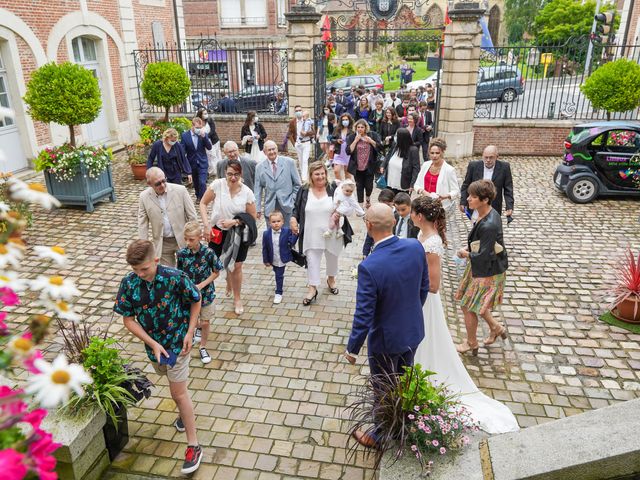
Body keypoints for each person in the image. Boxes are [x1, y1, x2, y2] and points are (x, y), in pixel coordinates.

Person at [410, 196, 519, 434]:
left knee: (425, 337)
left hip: (426, 299)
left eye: (412, 212)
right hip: (420, 297)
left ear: (419, 216)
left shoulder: (433, 243)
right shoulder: (422, 235)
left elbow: (434, 284)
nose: (410, 215)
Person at [114, 240, 203, 474]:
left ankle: (194, 445)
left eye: (144, 269)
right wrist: (152, 344)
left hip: (178, 345)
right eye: (135, 270)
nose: (140, 274)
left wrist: (190, 331)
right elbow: (128, 320)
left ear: (155, 260)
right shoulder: (129, 283)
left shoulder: (176, 277)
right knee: (176, 391)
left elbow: (196, 300)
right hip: (155, 351)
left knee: (178, 393)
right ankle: (185, 415)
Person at [344, 203, 429, 447]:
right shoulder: (415, 246)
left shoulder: (370, 266)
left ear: (368, 226)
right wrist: (408, 313)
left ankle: (380, 434)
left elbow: (364, 314)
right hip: (412, 329)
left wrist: (352, 349)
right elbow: (423, 289)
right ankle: (405, 421)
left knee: (382, 385)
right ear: (393, 221)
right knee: (405, 378)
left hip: (385, 339)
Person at [455, 180, 509, 354]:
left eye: (473, 196)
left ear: (485, 200)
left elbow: (485, 255)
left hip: (487, 270)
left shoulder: (489, 224)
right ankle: (496, 328)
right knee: (475, 303)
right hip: (482, 265)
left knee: (468, 305)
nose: (468, 199)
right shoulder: (485, 213)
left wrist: (466, 254)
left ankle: (471, 343)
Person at [200, 159, 258, 315]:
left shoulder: (247, 192)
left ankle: (237, 298)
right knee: (215, 263)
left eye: (236, 174)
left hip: (238, 233)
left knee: (236, 266)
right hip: (217, 232)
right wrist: (206, 225)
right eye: (230, 174)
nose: (233, 178)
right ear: (225, 173)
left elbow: (252, 216)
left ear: (241, 174)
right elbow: (203, 203)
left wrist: (235, 221)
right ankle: (226, 280)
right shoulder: (217, 185)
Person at [291, 161, 353, 305]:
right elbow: (296, 208)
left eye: (322, 173)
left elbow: (346, 204)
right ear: (311, 176)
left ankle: (331, 279)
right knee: (312, 260)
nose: (320, 177)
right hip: (311, 233)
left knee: (332, 258)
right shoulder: (304, 190)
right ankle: (312, 288)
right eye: (316, 174)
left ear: (326, 173)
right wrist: (293, 219)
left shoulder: (334, 188)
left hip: (331, 232)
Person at [176, 221, 223, 365]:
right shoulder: (182, 254)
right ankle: (197, 330)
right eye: (186, 239)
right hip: (189, 296)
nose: (188, 242)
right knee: (194, 321)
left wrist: (202, 285)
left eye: (191, 239)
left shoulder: (208, 253)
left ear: (200, 237)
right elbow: (180, 273)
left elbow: (216, 272)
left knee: (205, 322)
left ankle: (203, 347)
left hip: (207, 293)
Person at [138, 167, 198, 267]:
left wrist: (194, 237)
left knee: (187, 271)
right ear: (149, 184)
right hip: (162, 243)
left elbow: (192, 216)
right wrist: (143, 246)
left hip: (183, 239)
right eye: (158, 183)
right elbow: (142, 224)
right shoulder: (144, 197)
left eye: (164, 181)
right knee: (168, 275)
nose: (162, 185)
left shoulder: (180, 190)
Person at [415, 137, 461, 262]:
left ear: (442, 153)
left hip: (440, 207)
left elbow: (456, 191)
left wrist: (445, 196)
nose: (434, 156)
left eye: (437, 153)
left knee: (436, 230)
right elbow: (417, 185)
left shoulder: (449, 170)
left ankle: (435, 255)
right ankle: (423, 251)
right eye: (432, 153)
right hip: (424, 205)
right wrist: (424, 192)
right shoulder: (425, 165)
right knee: (424, 229)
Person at [460, 145, 514, 221]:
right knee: (477, 227)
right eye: (486, 157)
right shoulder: (474, 166)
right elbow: (466, 185)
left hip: (494, 206)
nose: (488, 160)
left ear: (496, 157)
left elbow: (508, 189)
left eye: (491, 157)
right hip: (477, 206)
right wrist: (463, 202)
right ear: (482, 156)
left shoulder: (504, 167)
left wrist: (509, 206)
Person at [254, 140, 302, 226]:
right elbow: (258, 189)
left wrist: (293, 200)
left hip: (287, 206)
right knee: (272, 236)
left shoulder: (289, 162)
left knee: (288, 235)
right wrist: (257, 208)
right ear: (264, 152)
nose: (272, 152)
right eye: (269, 150)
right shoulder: (259, 167)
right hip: (270, 207)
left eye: (273, 149)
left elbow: (297, 184)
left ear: (277, 149)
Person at [262, 210, 298, 304]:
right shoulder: (266, 234)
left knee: (279, 275)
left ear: (282, 222)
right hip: (272, 258)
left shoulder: (287, 231)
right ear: (269, 223)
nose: (276, 224)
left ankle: (278, 292)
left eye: (278, 221)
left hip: (282, 258)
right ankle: (279, 284)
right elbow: (264, 248)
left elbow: (292, 242)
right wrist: (265, 260)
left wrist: (295, 234)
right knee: (276, 272)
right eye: (273, 222)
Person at [346, 119, 383, 209]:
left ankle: (368, 198)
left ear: (366, 128)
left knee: (369, 186)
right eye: (358, 127)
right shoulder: (351, 137)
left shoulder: (372, 135)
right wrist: (355, 141)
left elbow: (380, 147)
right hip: (357, 166)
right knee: (359, 185)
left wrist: (371, 141)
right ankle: (360, 206)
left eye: (362, 127)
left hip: (369, 165)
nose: (360, 129)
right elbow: (348, 151)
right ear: (356, 128)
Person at [380, 128, 420, 195]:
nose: (394, 138)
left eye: (396, 136)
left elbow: (416, 168)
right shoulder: (395, 145)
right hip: (390, 182)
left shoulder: (413, 150)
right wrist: (383, 165)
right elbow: (388, 155)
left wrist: (412, 184)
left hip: (403, 184)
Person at [181, 117, 212, 201]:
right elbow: (183, 151)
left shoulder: (203, 134)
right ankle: (198, 195)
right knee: (196, 182)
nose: (199, 129)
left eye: (200, 128)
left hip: (202, 162)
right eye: (197, 128)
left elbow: (209, 147)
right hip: (192, 162)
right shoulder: (185, 136)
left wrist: (204, 137)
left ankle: (202, 199)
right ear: (192, 126)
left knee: (202, 182)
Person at [362, 188, 395, 258]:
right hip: (376, 250)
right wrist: (365, 252)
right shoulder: (376, 212)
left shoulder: (397, 215)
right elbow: (370, 234)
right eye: (382, 205)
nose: (385, 208)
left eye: (388, 205)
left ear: (393, 202)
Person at [288, 107, 314, 180]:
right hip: (298, 144)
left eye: (300, 110)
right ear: (294, 112)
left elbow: (313, 132)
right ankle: (303, 175)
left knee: (305, 160)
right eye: (296, 111)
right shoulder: (292, 122)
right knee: (300, 160)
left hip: (306, 142)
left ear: (302, 111)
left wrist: (306, 133)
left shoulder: (307, 120)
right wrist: (294, 144)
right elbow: (289, 134)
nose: (298, 112)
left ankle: (304, 178)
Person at [196, 108, 221, 177]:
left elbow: (213, 130)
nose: (206, 115)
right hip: (205, 142)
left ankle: (216, 170)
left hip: (213, 140)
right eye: (204, 114)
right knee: (208, 156)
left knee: (215, 155)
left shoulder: (210, 120)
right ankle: (210, 170)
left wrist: (206, 136)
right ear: (200, 115)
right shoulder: (198, 122)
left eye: (206, 113)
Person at [332, 113, 354, 181]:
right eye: (343, 120)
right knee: (336, 171)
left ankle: (347, 187)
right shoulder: (337, 129)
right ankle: (339, 186)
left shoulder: (353, 130)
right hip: (338, 152)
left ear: (349, 120)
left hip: (348, 154)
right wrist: (337, 141)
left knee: (347, 173)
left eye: (346, 119)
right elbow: (331, 139)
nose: (345, 121)